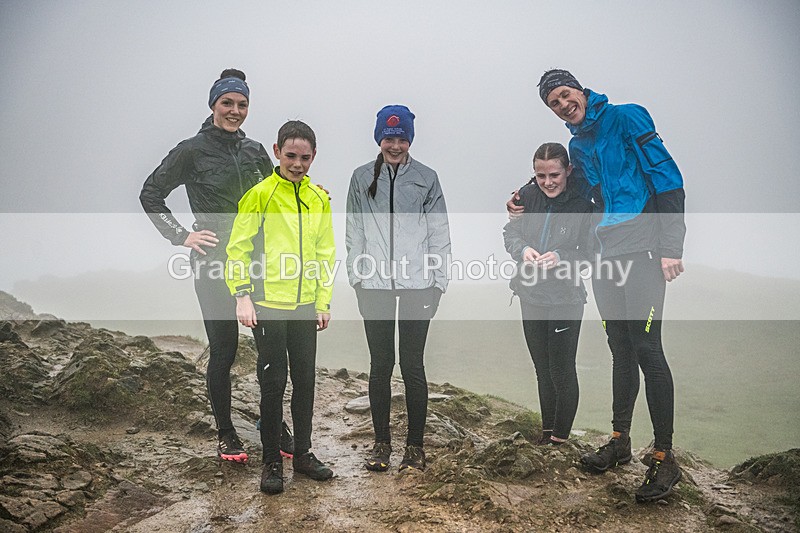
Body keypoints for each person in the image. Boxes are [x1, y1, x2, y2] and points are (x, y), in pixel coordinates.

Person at [510, 69, 686, 503]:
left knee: (648, 349)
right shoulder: (577, 146)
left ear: (580, 90)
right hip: (606, 257)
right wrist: (521, 195)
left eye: (565, 95)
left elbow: (667, 178)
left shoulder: (627, 117)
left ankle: (664, 456)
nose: (563, 105)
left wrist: (671, 246)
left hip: (643, 250)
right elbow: (570, 185)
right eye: (554, 103)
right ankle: (620, 440)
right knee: (620, 349)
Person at [140, 69, 292, 463]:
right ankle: (226, 432)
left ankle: (272, 424)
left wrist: (307, 191)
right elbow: (151, 193)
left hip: (257, 260)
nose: (235, 111)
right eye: (227, 103)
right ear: (213, 105)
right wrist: (180, 236)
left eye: (242, 104)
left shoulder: (255, 150)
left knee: (271, 349)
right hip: (213, 261)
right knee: (224, 350)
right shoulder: (191, 150)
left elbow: (278, 193)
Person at [226, 120, 335, 494]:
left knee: (305, 381)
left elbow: (325, 253)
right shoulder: (260, 195)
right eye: (290, 156)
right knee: (273, 383)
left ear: (314, 156)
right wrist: (242, 295)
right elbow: (238, 248)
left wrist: (322, 301)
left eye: (305, 158)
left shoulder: (319, 199)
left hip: (305, 306)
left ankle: (302, 455)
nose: (298, 164)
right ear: (276, 152)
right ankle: (271, 461)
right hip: (267, 305)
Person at [346, 105, 451, 473]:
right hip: (373, 284)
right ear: (379, 138)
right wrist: (357, 278)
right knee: (380, 365)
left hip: (418, 285)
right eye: (388, 138)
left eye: (402, 138)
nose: (395, 145)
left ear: (410, 139)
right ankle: (381, 444)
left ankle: (415, 447)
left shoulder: (426, 178)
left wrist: (438, 283)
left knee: (412, 365)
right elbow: (354, 231)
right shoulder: (361, 177)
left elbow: (439, 232)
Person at [503, 142, 593, 447]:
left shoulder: (582, 204)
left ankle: (560, 440)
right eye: (541, 176)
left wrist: (561, 257)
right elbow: (511, 233)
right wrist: (523, 250)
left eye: (554, 175)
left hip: (566, 297)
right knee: (542, 369)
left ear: (568, 170)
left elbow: (590, 252)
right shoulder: (527, 197)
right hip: (529, 294)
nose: (548, 182)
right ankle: (547, 434)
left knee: (561, 370)